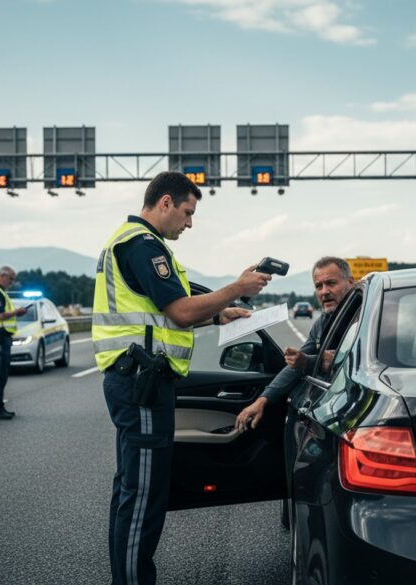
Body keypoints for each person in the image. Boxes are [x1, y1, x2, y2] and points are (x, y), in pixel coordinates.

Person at [93, 171, 271, 585]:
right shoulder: (142, 244)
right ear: (166, 202)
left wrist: (219, 314)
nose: (189, 223)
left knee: (133, 490)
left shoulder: (133, 242)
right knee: (143, 495)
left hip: (138, 379)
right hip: (142, 381)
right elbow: (180, 311)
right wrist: (237, 287)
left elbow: (166, 312)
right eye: (188, 213)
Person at [235, 256, 355, 432]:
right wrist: (262, 401)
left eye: (331, 283)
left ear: (350, 282)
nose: (324, 291)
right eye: (319, 286)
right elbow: (295, 366)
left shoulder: (366, 317)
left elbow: (352, 363)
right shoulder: (323, 322)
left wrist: (309, 362)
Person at [0, 266, 29, 420]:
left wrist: (15, 313)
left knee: (3, 373)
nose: (12, 282)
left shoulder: (0, 291)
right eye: (11, 278)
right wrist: (17, 312)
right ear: (2, 275)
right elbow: (0, 315)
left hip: (2, 335)